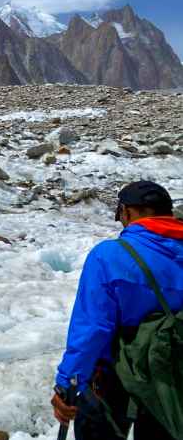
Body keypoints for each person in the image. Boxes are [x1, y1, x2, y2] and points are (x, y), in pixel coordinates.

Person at [52, 181, 183, 440]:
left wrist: (67, 382)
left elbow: (93, 328)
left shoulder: (109, 255)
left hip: (119, 379)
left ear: (126, 212)